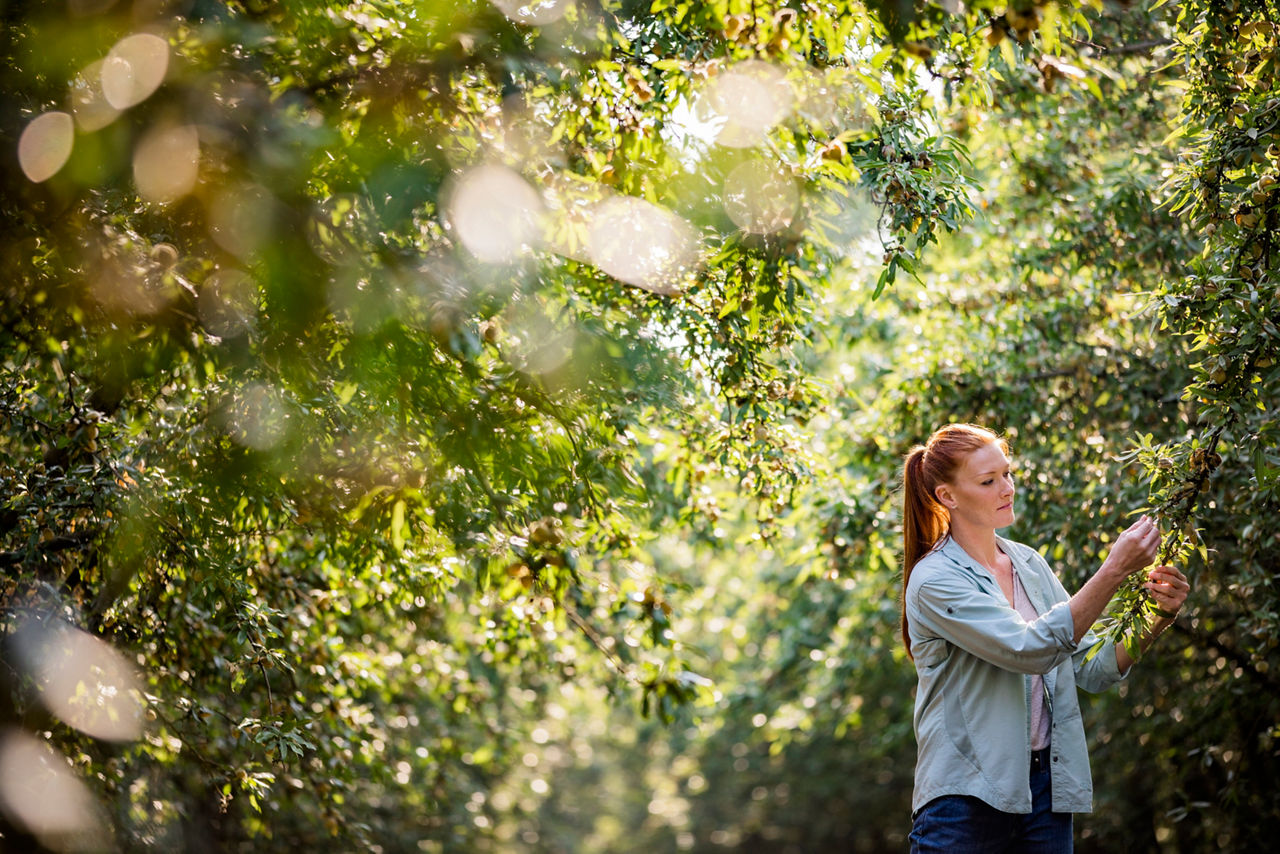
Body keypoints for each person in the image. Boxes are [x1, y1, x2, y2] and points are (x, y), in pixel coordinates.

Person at [901, 423, 1190, 853]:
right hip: (965, 797)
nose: (1007, 488)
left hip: (1046, 791)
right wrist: (1114, 570)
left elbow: (1091, 666)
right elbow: (1029, 650)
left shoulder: (1028, 565)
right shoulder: (934, 580)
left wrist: (1157, 617)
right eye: (988, 481)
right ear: (948, 496)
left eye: (1007, 474)